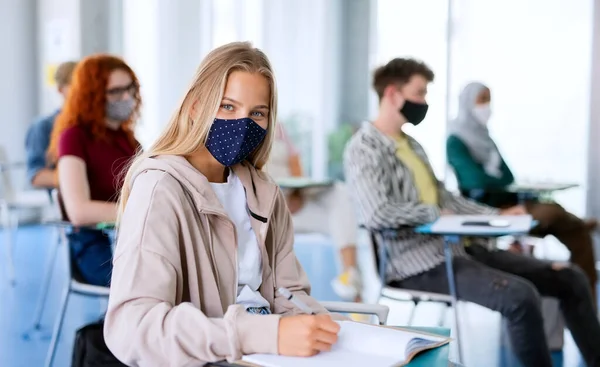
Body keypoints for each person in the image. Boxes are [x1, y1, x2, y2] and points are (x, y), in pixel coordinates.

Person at [343, 58, 600, 367]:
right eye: (420, 93)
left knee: (570, 279)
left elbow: (447, 198)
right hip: (416, 264)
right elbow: (377, 213)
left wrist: (499, 215)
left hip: (459, 249)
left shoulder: (412, 146)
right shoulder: (363, 148)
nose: (424, 102)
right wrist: (435, 215)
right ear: (393, 94)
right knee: (520, 297)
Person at [104, 42, 341, 366]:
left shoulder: (264, 192)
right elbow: (132, 327)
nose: (242, 123)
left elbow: (289, 293)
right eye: (228, 107)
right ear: (195, 107)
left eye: (257, 113)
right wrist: (260, 334)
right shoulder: (161, 188)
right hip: (216, 357)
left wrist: (315, 326)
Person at [447, 81, 598, 299]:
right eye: (482, 100)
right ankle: (579, 224)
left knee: (577, 234)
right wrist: (494, 178)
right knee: (552, 211)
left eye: (489, 100)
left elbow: (508, 176)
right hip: (487, 209)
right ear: (467, 103)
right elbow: (475, 181)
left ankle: (587, 300)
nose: (487, 106)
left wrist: (494, 178)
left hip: (511, 204)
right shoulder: (456, 140)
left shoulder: (485, 138)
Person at [47, 54, 141, 286]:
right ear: (93, 96)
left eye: (130, 88)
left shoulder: (127, 139)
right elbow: (79, 211)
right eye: (116, 92)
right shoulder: (73, 137)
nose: (127, 97)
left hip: (129, 240)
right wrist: (141, 211)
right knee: (158, 278)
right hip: (96, 247)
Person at [265, 123, 362, 301]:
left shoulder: (277, 126)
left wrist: (297, 191)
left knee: (340, 194)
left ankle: (350, 279)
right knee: (345, 225)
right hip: (270, 210)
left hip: (295, 199)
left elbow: (295, 163)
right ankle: (354, 286)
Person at [25, 61, 77, 188]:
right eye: (76, 85)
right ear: (61, 89)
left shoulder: (98, 127)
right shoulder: (43, 126)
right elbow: (36, 176)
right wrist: (79, 176)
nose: (84, 92)